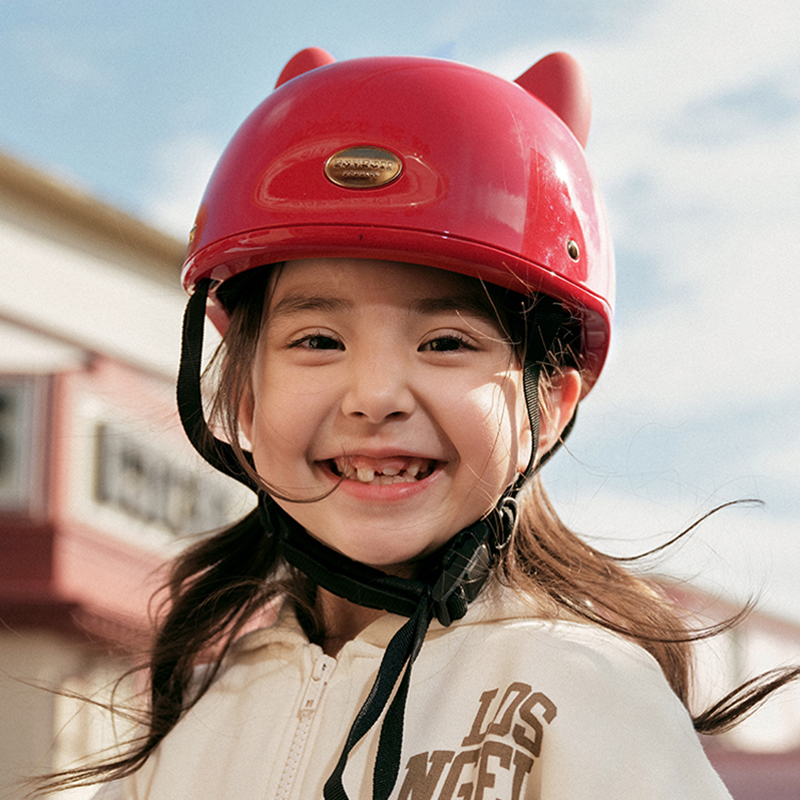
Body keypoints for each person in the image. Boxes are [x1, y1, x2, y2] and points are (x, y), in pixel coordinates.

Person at [38, 47, 797, 800]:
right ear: (241, 396)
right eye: (318, 341)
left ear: (552, 404)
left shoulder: (583, 691)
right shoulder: (200, 714)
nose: (374, 395)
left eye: (445, 343)